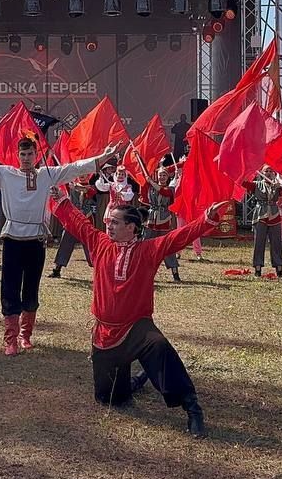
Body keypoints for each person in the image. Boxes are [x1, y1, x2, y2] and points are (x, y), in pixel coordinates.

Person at [49, 188, 229, 438]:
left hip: (137, 327)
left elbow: (178, 237)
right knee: (109, 399)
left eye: (115, 222)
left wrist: (207, 219)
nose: (109, 225)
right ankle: (134, 382)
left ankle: (192, 408)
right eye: (109, 221)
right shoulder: (100, 243)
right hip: (105, 333)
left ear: (131, 227)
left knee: (159, 347)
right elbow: (79, 223)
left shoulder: (149, 250)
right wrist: (62, 201)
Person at [0, 137, 121, 356]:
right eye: (23, 154)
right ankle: (11, 338)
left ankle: (25, 335)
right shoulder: (6, 174)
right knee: (10, 287)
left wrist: (104, 157)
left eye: (30, 154)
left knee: (31, 287)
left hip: (36, 239)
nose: (26, 158)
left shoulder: (46, 174)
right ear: (18, 155)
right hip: (13, 238)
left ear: (36, 155)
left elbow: (75, 168)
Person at [49, 174, 97, 277]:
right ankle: (57, 268)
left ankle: (98, 268)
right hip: (73, 219)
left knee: (89, 245)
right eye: (80, 173)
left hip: (85, 219)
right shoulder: (70, 185)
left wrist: (75, 186)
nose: (82, 176)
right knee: (65, 242)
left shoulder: (91, 188)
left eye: (84, 174)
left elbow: (88, 191)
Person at [243, 167, 282, 279]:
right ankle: (257, 269)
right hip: (260, 215)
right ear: (262, 173)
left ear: (274, 173)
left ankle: (279, 269)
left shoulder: (277, 185)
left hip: (274, 215)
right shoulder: (257, 184)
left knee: (276, 243)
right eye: (266, 171)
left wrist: (280, 186)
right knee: (259, 242)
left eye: (271, 171)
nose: (268, 173)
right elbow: (243, 182)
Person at [142, 166, 181, 283]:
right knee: (145, 245)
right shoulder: (150, 187)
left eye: (164, 175)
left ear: (168, 177)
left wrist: (151, 182)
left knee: (167, 246)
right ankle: (143, 271)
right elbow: (143, 191)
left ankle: (175, 273)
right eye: (160, 175)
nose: (162, 177)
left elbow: (163, 192)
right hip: (151, 219)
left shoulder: (170, 188)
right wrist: (147, 179)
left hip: (164, 219)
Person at [170, 158, 204, 261]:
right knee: (180, 231)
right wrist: (177, 176)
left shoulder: (196, 179)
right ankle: (178, 252)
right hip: (182, 209)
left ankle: (198, 252)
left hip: (193, 209)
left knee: (195, 231)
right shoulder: (179, 180)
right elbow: (174, 190)